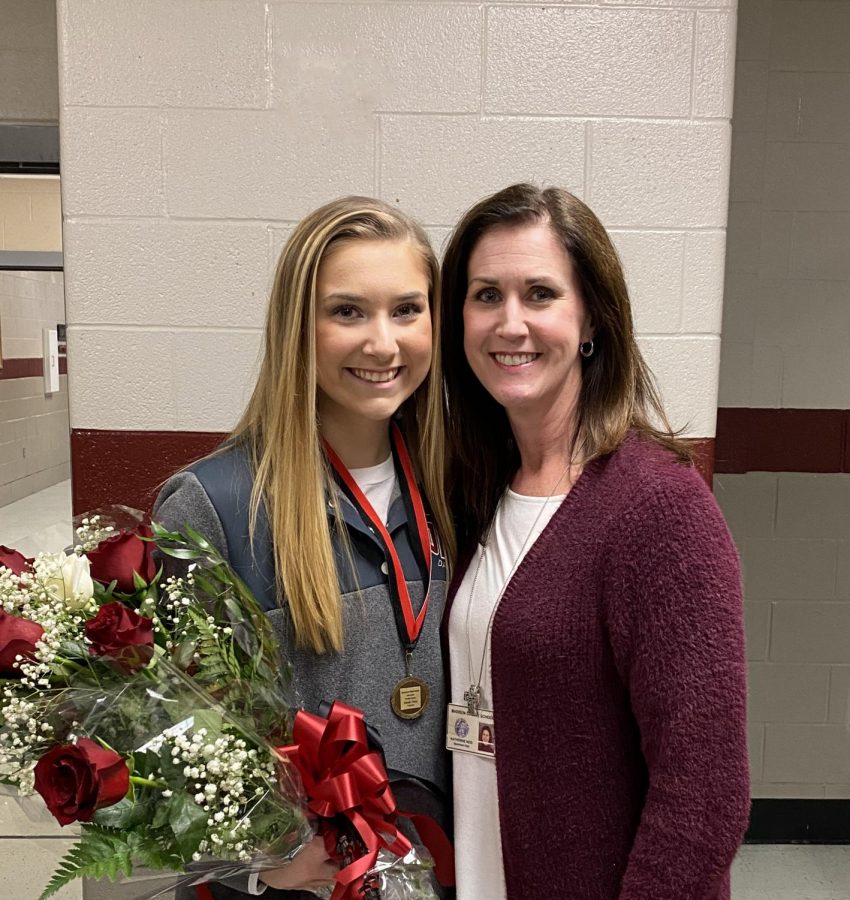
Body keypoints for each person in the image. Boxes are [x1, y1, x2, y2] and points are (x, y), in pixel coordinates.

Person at [440, 183, 749, 899]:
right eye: (486, 295)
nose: (510, 323)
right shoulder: (474, 492)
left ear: (590, 322)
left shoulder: (657, 510)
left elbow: (706, 795)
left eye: (540, 294)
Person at [154, 196, 455, 899]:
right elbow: (166, 740)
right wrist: (259, 862)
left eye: (407, 310)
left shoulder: (456, 497)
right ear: (298, 327)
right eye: (348, 312)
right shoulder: (215, 506)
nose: (383, 343)